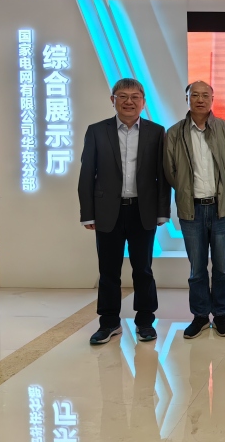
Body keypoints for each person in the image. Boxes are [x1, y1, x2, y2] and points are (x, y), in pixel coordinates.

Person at [78, 78, 170, 345]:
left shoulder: (156, 132)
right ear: (113, 100)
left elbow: (162, 175)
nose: (129, 102)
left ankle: (145, 322)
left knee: (143, 269)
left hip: (143, 210)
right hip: (108, 211)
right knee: (108, 271)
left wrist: (162, 211)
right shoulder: (97, 131)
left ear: (143, 102)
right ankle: (109, 323)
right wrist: (88, 213)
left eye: (135, 97)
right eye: (123, 96)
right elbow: (87, 174)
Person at [164, 81, 225, 339]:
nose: (200, 99)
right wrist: (185, 192)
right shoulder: (174, 133)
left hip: (222, 209)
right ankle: (200, 316)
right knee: (197, 269)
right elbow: (170, 171)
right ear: (187, 99)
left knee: (222, 267)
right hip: (192, 209)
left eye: (205, 95)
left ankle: (221, 315)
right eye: (194, 95)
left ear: (212, 99)